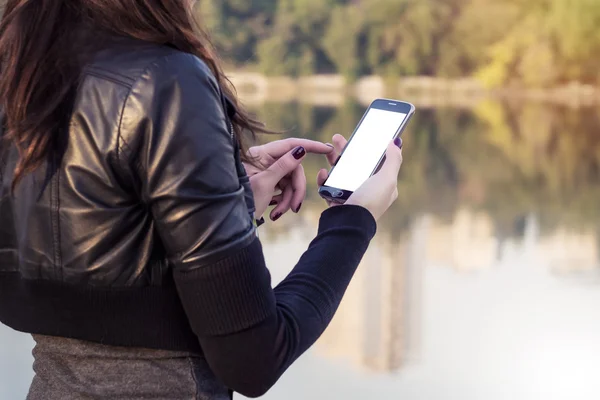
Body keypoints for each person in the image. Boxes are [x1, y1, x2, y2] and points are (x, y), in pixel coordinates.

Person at [0, 1, 403, 399]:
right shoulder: (167, 80)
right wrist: (352, 221)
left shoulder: (19, 68)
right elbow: (254, 359)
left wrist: (224, 194)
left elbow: (91, 244)